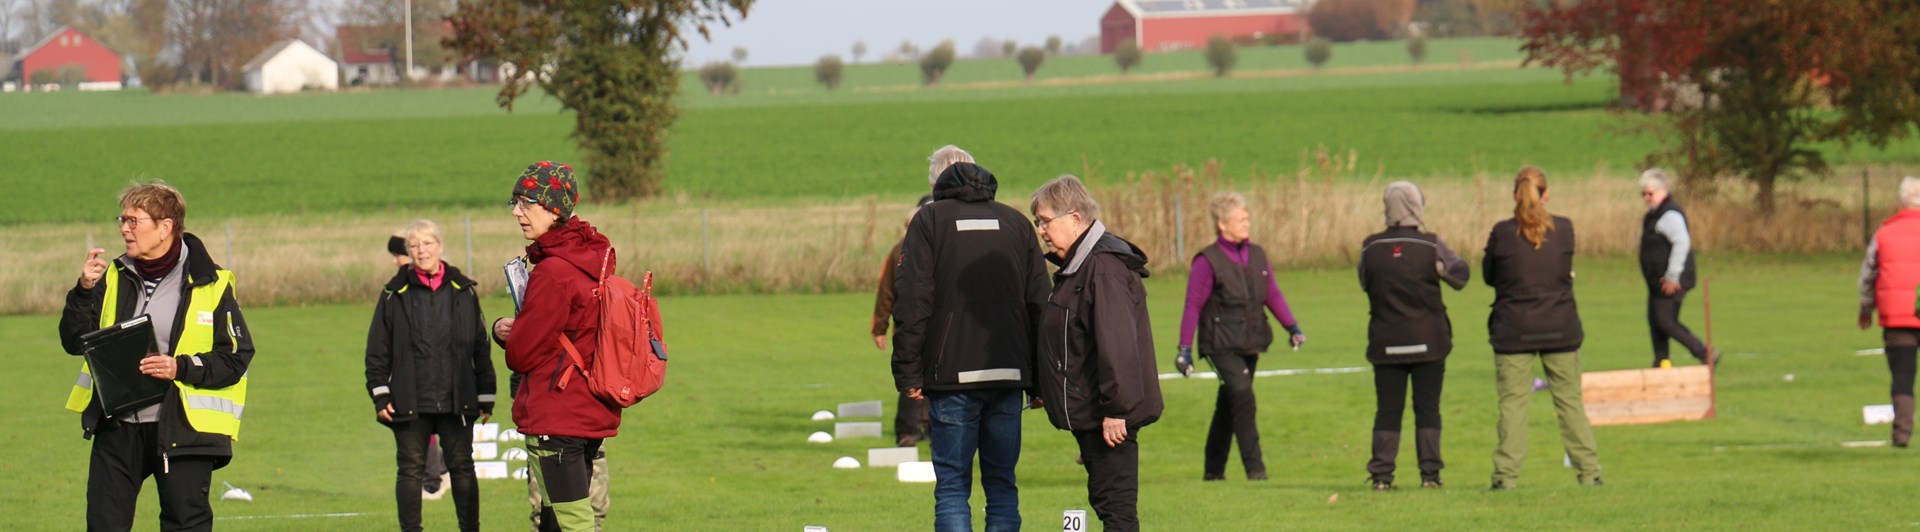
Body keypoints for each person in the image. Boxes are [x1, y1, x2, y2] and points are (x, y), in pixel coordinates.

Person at [58, 180, 255, 530]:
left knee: (185, 524)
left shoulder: (213, 283)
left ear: (165, 227)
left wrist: (178, 367)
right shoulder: (113, 276)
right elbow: (75, 341)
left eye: (134, 221)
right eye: (122, 220)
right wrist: (84, 291)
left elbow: (236, 358)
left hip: (184, 429)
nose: (124, 229)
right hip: (117, 426)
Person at [891, 149, 1050, 532]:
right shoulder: (1016, 223)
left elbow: (913, 301)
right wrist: (1041, 381)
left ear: (937, 184)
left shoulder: (928, 221)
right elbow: (1041, 306)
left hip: (951, 378)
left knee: (951, 489)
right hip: (1009, 374)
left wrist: (908, 372)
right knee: (1002, 487)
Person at [489, 161, 620, 532]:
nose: (516, 212)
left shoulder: (553, 272)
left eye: (526, 203)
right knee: (558, 523)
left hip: (557, 414)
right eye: (514, 202)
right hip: (589, 409)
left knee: (572, 525)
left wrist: (504, 332)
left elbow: (522, 355)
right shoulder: (592, 259)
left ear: (553, 208)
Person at [1030, 175, 1164, 532]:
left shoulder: (1101, 269)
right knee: (1108, 504)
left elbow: (1117, 345)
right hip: (1093, 413)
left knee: (1117, 512)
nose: (1041, 230)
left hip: (1108, 417)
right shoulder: (1080, 267)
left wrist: (1116, 411)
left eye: (1045, 221)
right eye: (1038, 222)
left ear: (1075, 219)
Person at [365, 219, 497, 531]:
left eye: (427, 243)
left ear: (439, 246)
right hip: (409, 399)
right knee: (410, 471)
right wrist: (380, 394)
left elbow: (480, 345)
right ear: (407, 252)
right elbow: (376, 351)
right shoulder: (392, 294)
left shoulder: (464, 291)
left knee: (463, 468)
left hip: (457, 398)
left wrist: (486, 393)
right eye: (414, 246)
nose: (421, 251)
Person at [1483, 168, 1603, 489]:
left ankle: (1505, 478)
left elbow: (1489, 276)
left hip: (1514, 328)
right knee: (1569, 403)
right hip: (1559, 325)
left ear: (1514, 195)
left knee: (1513, 405)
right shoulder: (1564, 229)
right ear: (1546, 194)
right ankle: (1590, 473)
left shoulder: (1501, 232)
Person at [1173, 191, 1305, 482]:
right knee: (1243, 394)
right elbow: (1192, 305)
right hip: (1219, 344)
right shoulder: (1206, 261)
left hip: (1250, 340)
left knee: (1230, 402)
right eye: (1240, 219)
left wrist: (1292, 327)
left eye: (1247, 218)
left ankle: (1213, 470)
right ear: (1223, 224)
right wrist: (1184, 349)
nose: (1247, 223)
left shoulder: (1257, 254)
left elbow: (1272, 293)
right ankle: (1255, 470)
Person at [1357, 181, 1468, 491]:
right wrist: (1440, 272)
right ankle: (1430, 475)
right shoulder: (1431, 245)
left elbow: (1365, 281)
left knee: (1387, 409)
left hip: (1385, 342)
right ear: (1416, 205)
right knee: (1427, 408)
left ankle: (1381, 476)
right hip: (1429, 342)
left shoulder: (1371, 246)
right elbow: (1461, 276)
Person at [388, 231, 453, 501]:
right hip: (410, 368)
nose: (395, 262)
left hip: (424, 370)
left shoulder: (418, 286)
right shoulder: (401, 286)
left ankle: (432, 477)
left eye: (398, 255)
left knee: (423, 425)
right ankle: (437, 470)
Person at [1858, 176, 1920, 448]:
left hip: (1897, 317)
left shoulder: (1884, 233)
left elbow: (1868, 275)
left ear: (1900, 203)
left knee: (1903, 376)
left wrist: (1865, 308)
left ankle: (1901, 434)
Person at [1638, 169, 1718, 369]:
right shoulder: (1653, 215)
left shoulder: (1669, 214)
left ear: (1663, 190)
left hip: (1672, 280)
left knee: (1665, 321)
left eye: (1650, 193)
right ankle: (1661, 361)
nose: (1647, 198)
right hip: (1657, 281)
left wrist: (1672, 276)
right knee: (1655, 320)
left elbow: (1682, 243)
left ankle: (1705, 353)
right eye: (1644, 194)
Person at [872, 195, 935, 447]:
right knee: (911, 382)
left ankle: (929, 429)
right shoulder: (899, 252)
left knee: (932, 382)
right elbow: (886, 292)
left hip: (932, 329)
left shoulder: (939, 250)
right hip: (909, 329)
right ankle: (907, 431)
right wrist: (879, 327)